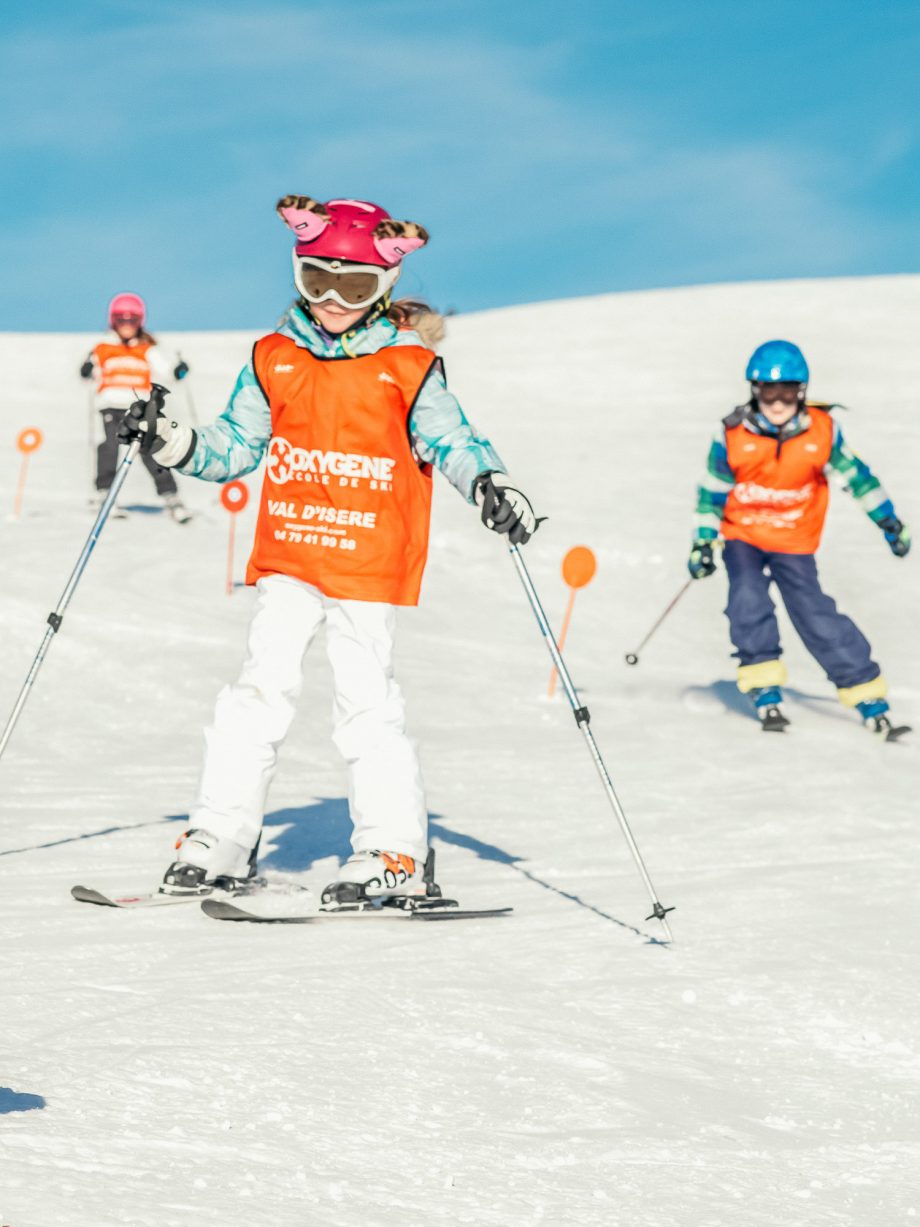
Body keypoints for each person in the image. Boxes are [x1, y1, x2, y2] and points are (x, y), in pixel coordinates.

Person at [119, 194, 540, 902]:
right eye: (319, 281)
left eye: (355, 286)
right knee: (255, 691)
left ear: (384, 286)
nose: (335, 300)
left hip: (367, 561)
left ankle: (393, 849)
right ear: (299, 273)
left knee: (365, 702)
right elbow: (234, 445)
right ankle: (222, 832)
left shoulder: (407, 364)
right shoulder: (274, 355)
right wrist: (174, 443)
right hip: (291, 554)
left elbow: (452, 439)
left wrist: (491, 483)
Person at [688, 339, 911, 738]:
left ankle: (865, 690)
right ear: (754, 391)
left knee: (814, 612)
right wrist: (703, 542)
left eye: (787, 391)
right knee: (747, 599)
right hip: (744, 535)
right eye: (768, 391)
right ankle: (763, 684)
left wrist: (888, 522)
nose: (777, 401)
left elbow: (858, 479)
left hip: (795, 539)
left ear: (802, 391)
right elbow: (712, 490)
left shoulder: (822, 432)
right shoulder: (734, 433)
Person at [80, 292, 192, 522]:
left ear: (140, 322)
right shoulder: (103, 347)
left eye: (132, 320)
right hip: (111, 406)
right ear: (114, 321)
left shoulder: (146, 349)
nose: (127, 325)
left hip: (139, 409)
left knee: (152, 451)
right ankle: (105, 494)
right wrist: (86, 369)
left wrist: (178, 370)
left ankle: (171, 497)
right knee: (109, 447)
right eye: (122, 319)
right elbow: (89, 368)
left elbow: (166, 370)